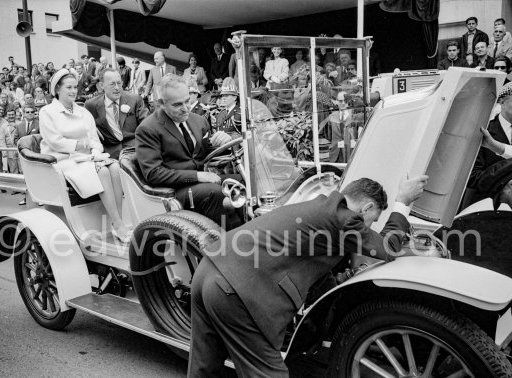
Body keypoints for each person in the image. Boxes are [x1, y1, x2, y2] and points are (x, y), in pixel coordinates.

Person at [187, 175, 429, 377]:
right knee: (267, 373)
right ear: (365, 208)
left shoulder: (319, 207)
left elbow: (317, 271)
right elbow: (388, 247)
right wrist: (402, 202)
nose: (369, 227)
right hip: (235, 289)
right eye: (373, 220)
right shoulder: (343, 218)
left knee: (204, 368)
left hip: (208, 268)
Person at [136, 74, 240, 228]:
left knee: (241, 180)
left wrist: (224, 141)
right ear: (161, 103)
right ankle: (226, 242)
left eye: (187, 101)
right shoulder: (148, 129)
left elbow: (207, 152)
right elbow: (153, 173)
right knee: (214, 192)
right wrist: (198, 176)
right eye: (177, 104)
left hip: (201, 182)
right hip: (174, 190)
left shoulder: (198, 121)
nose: (186, 109)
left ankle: (249, 229)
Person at [40, 68, 131, 242]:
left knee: (115, 166)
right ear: (57, 89)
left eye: (75, 87)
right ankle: (118, 224)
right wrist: (80, 145)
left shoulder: (83, 112)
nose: (73, 91)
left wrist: (96, 151)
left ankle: (118, 221)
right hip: (62, 160)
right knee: (102, 171)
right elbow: (54, 141)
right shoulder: (47, 112)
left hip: (87, 159)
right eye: (69, 87)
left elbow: (94, 139)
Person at [464, 82, 512, 208]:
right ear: (502, 101)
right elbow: (472, 176)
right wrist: (505, 182)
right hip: (486, 207)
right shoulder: (483, 131)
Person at [84, 68, 148, 159]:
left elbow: (147, 126)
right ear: (102, 85)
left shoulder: (135, 100)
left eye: (119, 83)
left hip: (135, 151)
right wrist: (92, 127)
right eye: (112, 84)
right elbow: (83, 127)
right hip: (109, 154)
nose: (117, 88)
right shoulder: (91, 105)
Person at [0, 108, 20, 174]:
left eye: (12, 114)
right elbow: (2, 140)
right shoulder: (3, 126)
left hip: (20, 149)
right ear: (6, 116)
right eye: (9, 115)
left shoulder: (20, 124)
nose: (11, 116)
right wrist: (4, 150)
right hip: (10, 149)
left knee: (22, 169)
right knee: (13, 170)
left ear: (15, 115)